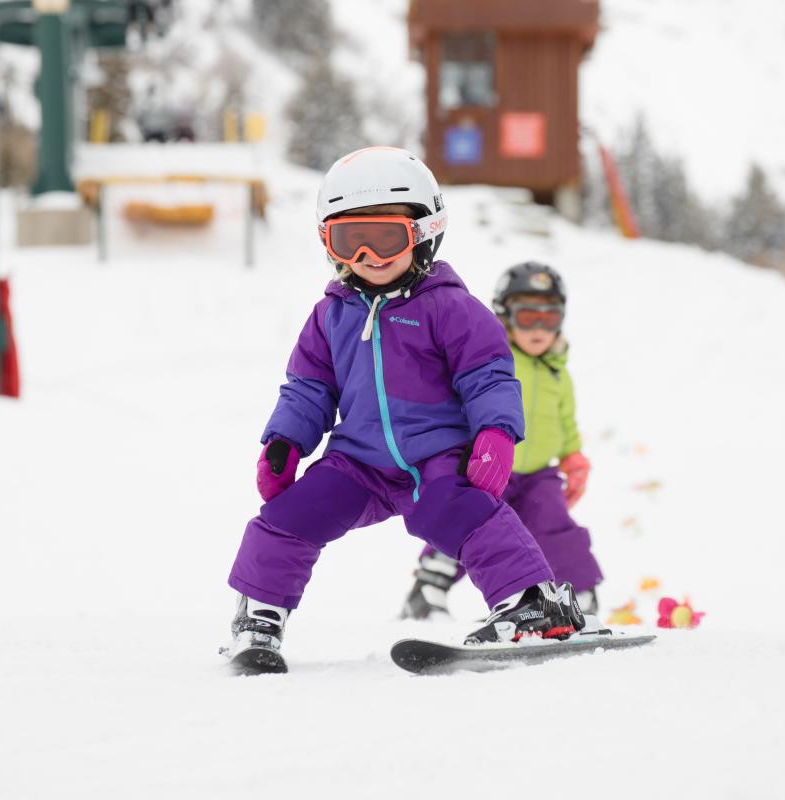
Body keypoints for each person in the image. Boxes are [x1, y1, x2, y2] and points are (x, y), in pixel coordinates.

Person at [225, 148, 585, 663]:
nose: (369, 255)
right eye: (350, 240)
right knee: (288, 517)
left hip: (437, 456)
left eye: (386, 236)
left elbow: (488, 375)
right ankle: (258, 616)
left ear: (423, 232)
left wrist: (496, 434)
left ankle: (532, 603)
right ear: (329, 243)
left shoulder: (450, 307)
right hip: (358, 462)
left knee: (462, 512)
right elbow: (307, 386)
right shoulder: (330, 316)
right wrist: (284, 441)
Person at [401, 262, 604, 620]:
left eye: (550, 317)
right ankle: (429, 587)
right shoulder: (494, 358)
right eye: (528, 316)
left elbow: (565, 423)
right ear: (504, 315)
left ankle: (581, 598)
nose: (540, 327)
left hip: (539, 474)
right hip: (491, 468)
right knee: (471, 521)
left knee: (556, 526)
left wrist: (573, 458)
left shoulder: (559, 372)